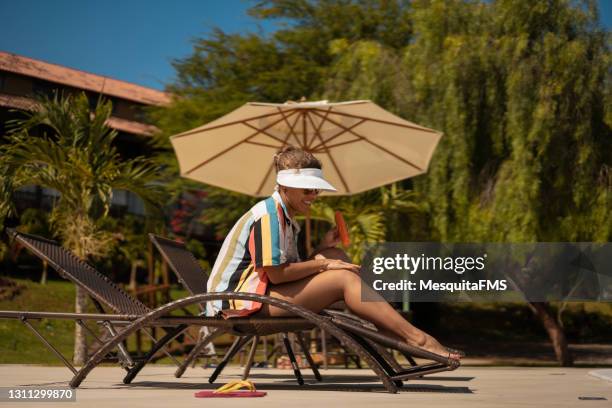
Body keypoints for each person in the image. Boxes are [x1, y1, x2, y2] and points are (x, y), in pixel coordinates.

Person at [206, 145, 461, 360]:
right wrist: (324, 265)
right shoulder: (268, 217)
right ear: (285, 186)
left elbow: (285, 272)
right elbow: (277, 276)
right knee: (340, 275)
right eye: (307, 190)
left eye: (316, 190)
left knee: (335, 256)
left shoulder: (284, 217)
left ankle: (392, 331)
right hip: (240, 306)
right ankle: (417, 339)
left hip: (257, 297)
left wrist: (322, 251)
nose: (314, 196)